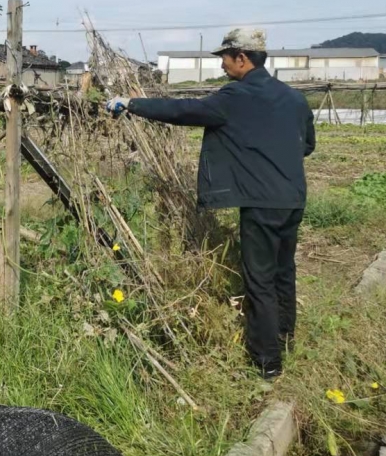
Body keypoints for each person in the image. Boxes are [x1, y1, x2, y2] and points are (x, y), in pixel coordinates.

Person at [106, 29, 315, 379]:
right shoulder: (294, 98)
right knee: (284, 272)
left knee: (259, 280)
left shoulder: (236, 96)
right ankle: (284, 340)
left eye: (225, 57)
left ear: (242, 58)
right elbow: (307, 144)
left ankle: (267, 364)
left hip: (261, 203)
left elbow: (185, 110)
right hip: (293, 198)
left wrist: (132, 104)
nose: (222, 64)